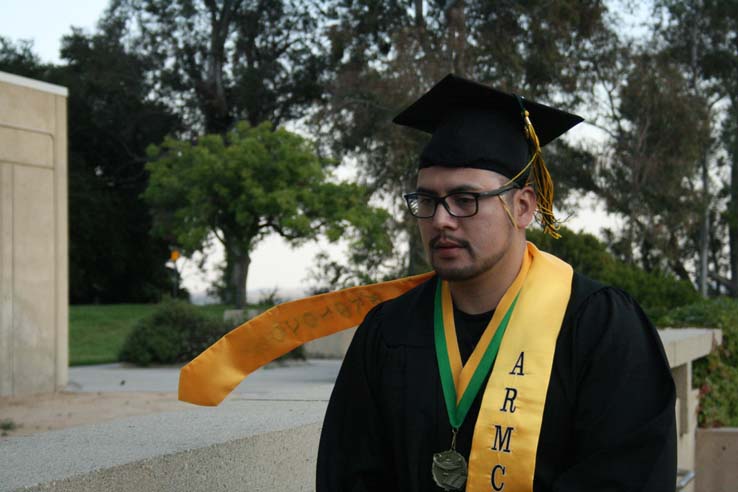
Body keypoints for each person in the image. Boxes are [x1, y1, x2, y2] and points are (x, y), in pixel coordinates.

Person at [316, 74, 677, 492]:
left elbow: (629, 477)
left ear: (523, 207)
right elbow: (348, 474)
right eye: (427, 200)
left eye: (465, 199)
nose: (440, 220)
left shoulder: (599, 326)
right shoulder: (387, 331)